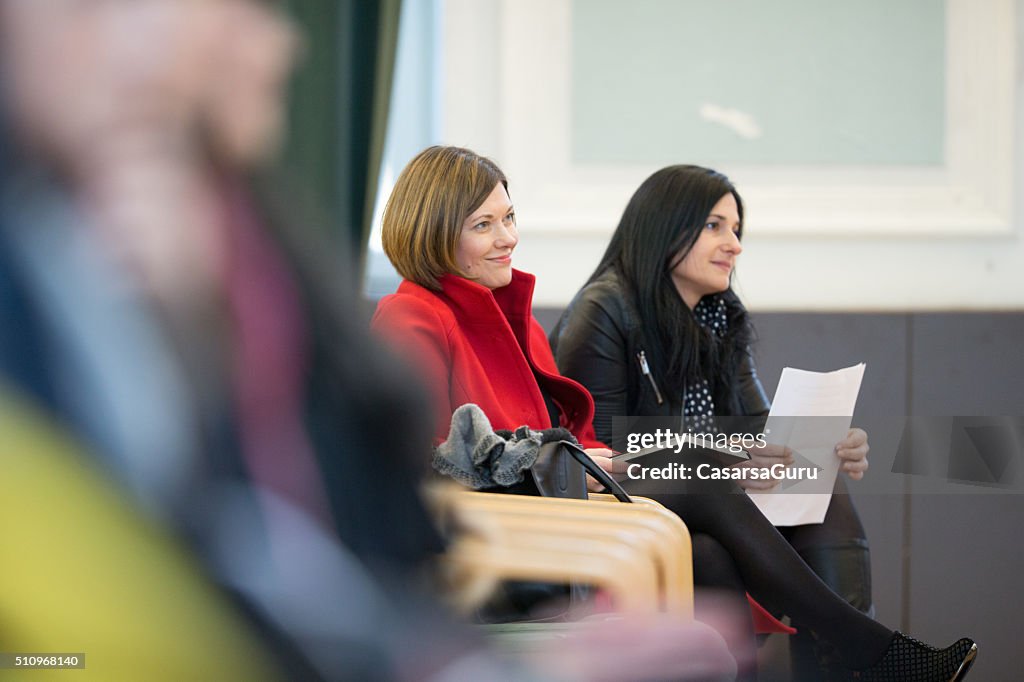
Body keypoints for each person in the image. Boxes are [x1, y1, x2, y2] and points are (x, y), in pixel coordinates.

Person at [371, 145, 978, 682]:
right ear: (433, 233)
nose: (508, 237)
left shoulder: (521, 313)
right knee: (698, 462)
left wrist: (813, 445)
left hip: (571, 501)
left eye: (509, 217)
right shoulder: (416, 316)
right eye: (485, 224)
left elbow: (591, 436)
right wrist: (580, 460)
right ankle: (870, 652)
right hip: (514, 536)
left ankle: (862, 655)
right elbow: (426, 465)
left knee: (722, 542)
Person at [548, 164, 873, 679]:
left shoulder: (719, 313)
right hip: (635, 503)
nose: (735, 245)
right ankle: (865, 648)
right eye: (715, 226)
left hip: (713, 493)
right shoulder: (605, 310)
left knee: (824, 483)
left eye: (737, 230)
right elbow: (602, 451)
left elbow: (761, 429)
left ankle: (850, 665)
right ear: (666, 227)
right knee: (706, 554)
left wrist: (828, 443)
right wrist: (726, 461)